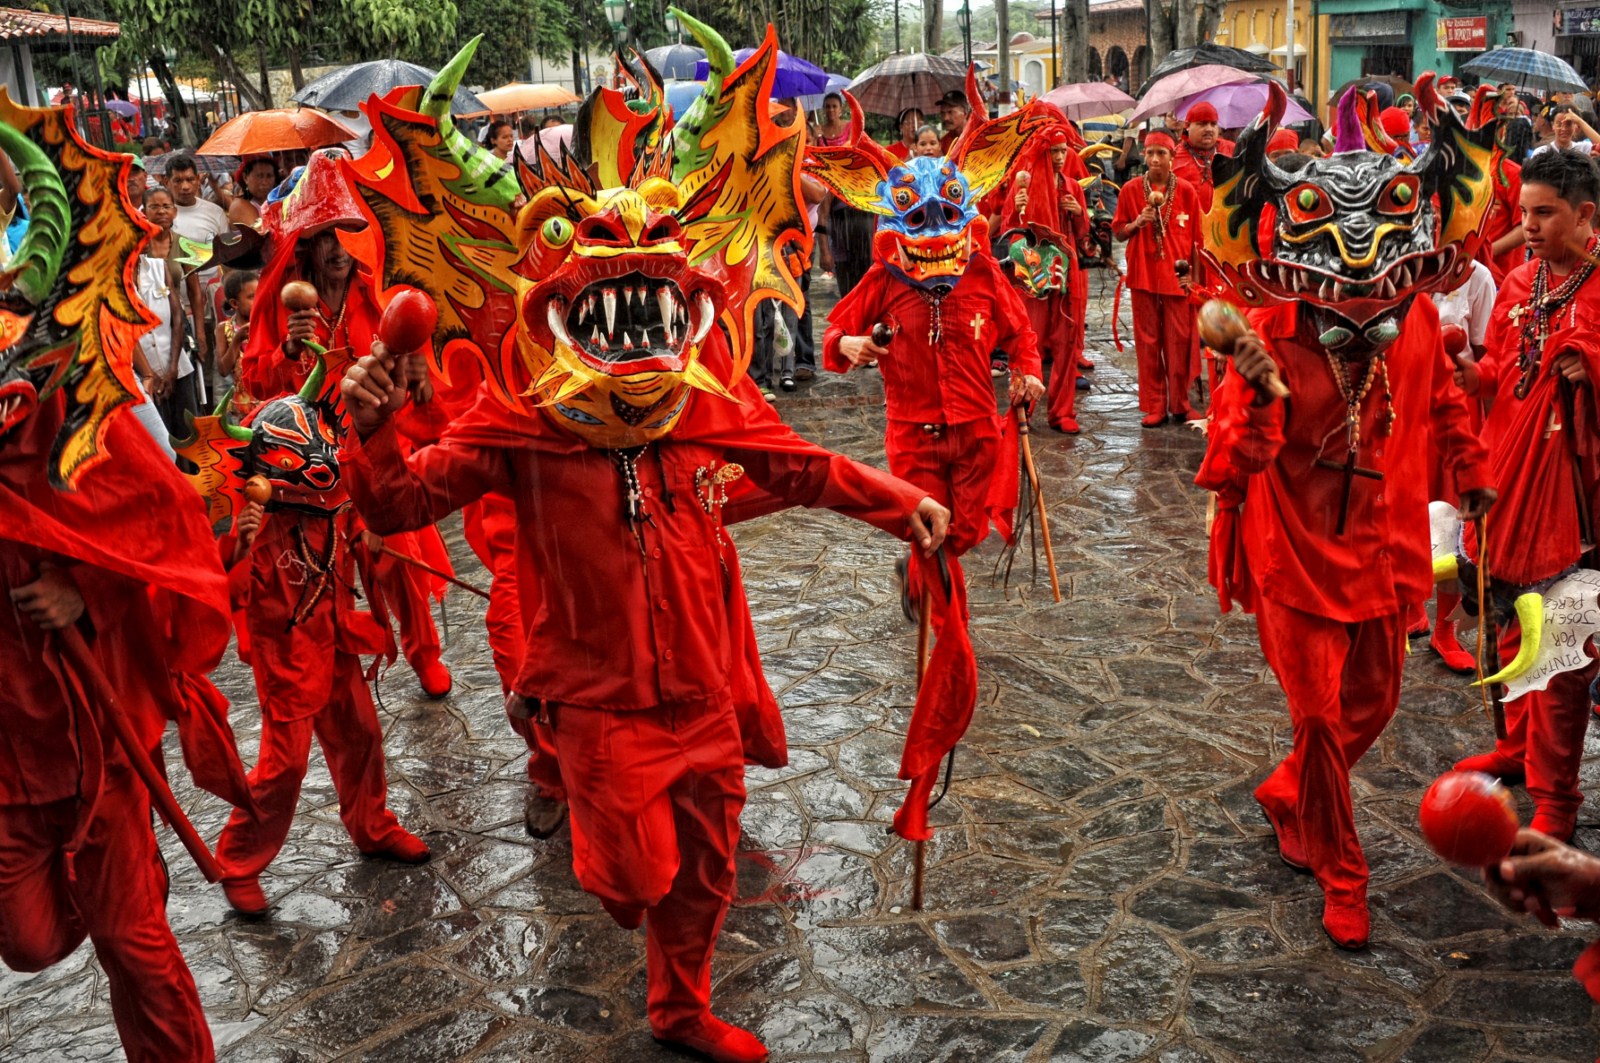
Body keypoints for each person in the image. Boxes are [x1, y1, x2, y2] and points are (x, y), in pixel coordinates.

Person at [1197, 86, 1496, 948]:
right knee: (1322, 715)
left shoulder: (1417, 327)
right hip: (1293, 549)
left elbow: (1443, 408)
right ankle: (1342, 868)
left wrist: (1471, 475)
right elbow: (1230, 466)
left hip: (1384, 546)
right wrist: (1254, 396)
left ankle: (1291, 789)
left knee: (1373, 704)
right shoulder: (1268, 332)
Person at [1, 100, 255, 1061]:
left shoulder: (89, 421)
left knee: (137, 948)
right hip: (8, 762)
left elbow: (165, 541)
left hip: (99, 730)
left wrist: (86, 594)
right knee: (26, 941)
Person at [211, 371, 431, 916]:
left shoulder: (332, 505)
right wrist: (236, 547)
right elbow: (218, 590)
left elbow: (355, 530)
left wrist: (370, 536)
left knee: (362, 737)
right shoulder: (253, 523)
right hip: (286, 657)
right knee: (283, 767)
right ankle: (239, 861)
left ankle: (372, 825)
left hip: (334, 642)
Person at [238, 150, 453, 699]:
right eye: (327, 234)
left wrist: (417, 370)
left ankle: (424, 653)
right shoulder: (281, 304)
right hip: (310, 464)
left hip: (372, 448)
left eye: (347, 231)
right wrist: (289, 348)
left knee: (398, 554)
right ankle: (339, 660)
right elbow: (260, 388)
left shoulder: (376, 291)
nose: (338, 247)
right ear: (306, 244)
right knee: (324, 567)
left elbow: (412, 357)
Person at [1453, 148, 1600, 842]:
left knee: (1561, 654)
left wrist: (1592, 368)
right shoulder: (1519, 282)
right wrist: (1466, 372)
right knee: (1507, 631)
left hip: (1575, 505)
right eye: (1523, 213)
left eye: (1544, 213)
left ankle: (1556, 800)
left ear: (1585, 215)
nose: (1530, 226)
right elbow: (1496, 373)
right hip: (1504, 485)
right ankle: (1515, 751)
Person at [998, 122, 1089, 433]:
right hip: (1035, 274)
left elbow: (1084, 234)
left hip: (1067, 271)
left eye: (1064, 151)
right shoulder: (1022, 185)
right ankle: (1024, 408)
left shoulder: (1072, 187)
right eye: (1054, 151)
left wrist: (1078, 212)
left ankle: (1063, 412)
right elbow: (1009, 231)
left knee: (1065, 342)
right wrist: (1016, 209)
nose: (1061, 157)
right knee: (1030, 339)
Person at [1112, 131, 1202, 426]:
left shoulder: (1187, 191)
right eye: (1149, 153)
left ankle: (1180, 403)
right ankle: (1155, 405)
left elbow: (1197, 242)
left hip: (1177, 280)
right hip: (1143, 276)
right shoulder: (1130, 190)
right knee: (1148, 343)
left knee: (1180, 343)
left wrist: (1195, 279)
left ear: (1172, 159)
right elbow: (1118, 231)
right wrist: (1137, 222)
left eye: (1161, 153)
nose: (1153, 159)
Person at [137, 186, 203, 437]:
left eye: (166, 206)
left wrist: (173, 366)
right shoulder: (112, 280)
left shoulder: (158, 267)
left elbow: (178, 316)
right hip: (143, 371)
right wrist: (148, 373)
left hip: (175, 355)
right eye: (154, 207)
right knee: (160, 435)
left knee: (188, 430)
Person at [166, 153, 228, 366]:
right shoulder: (160, 216)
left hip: (214, 302)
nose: (185, 186)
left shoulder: (215, 212)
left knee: (217, 357)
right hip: (177, 307)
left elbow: (225, 257)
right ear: (167, 182)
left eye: (190, 180)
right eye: (178, 180)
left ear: (198, 179)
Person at [1172, 100, 1233, 210]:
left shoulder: (1232, 150)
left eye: (1213, 124)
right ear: (1187, 126)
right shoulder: (1173, 157)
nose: (1209, 129)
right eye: (1202, 124)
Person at [214, 268, 258, 386]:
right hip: (243, 401)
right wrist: (236, 341)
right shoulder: (224, 328)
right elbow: (223, 370)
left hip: (271, 401)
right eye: (251, 297)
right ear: (234, 303)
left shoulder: (267, 324)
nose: (258, 300)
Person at [227, 155, 277, 228]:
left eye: (269, 176)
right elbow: (258, 236)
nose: (265, 182)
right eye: (259, 176)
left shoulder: (279, 202)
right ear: (245, 177)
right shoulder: (239, 206)